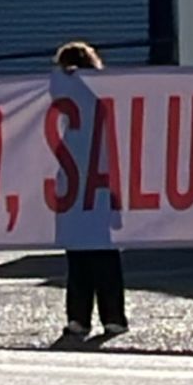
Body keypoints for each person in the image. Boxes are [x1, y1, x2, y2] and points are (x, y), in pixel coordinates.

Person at [54, 40, 129, 342]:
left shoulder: (63, 98)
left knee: (79, 257)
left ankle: (78, 318)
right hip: (98, 182)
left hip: (75, 184)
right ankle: (112, 317)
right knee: (103, 255)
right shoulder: (104, 97)